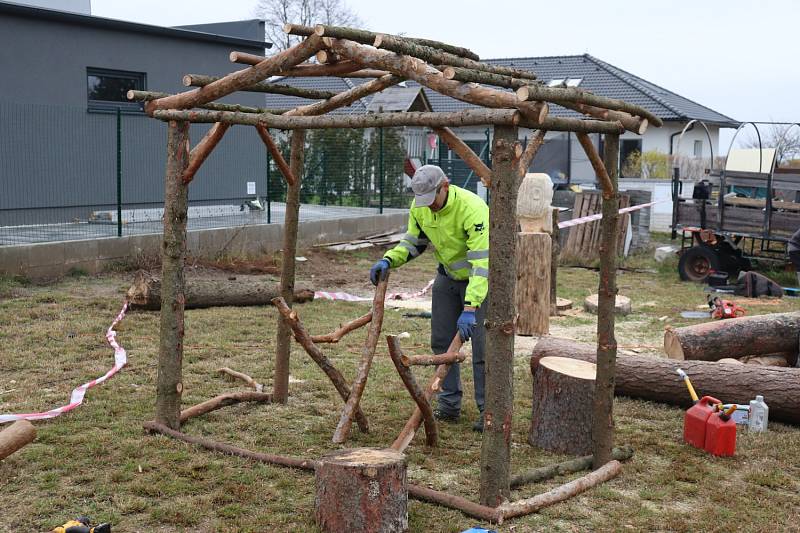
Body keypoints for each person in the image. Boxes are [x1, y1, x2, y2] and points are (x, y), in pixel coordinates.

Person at [369, 165, 489, 432]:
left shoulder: (473, 209)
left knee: (484, 349)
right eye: (422, 200)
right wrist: (389, 260)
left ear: (444, 185)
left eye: (432, 198)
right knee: (441, 341)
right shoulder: (420, 206)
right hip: (447, 277)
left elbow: (482, 265)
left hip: (480, 281)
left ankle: (489, 410)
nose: (429, 206)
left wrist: (470, 307)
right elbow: (414, 243)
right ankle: (448, 405)